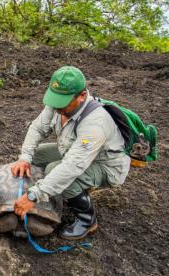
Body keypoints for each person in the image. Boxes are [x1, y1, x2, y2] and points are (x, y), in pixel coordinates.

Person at [12, 66, 131, 240]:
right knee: (36, 155)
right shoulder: (57, 105)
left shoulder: (95, 123)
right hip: (72, 150)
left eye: (63, 102)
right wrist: (25, 158)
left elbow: (72, 166)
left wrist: (33, 195)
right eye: (55, 99)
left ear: (82, 96)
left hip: (105, 165)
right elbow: (37, 128)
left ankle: (87, 219)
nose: (56, 107)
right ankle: (54, 188)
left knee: (54, 169)